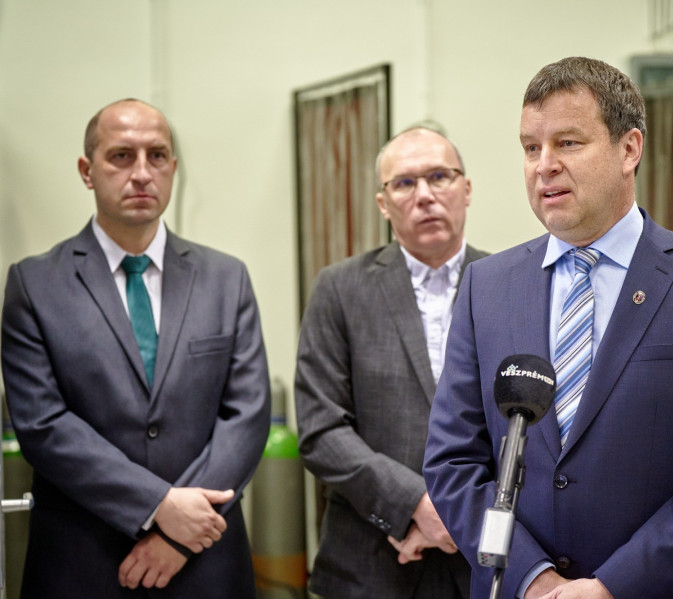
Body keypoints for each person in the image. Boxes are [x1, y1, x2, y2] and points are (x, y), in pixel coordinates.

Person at [423, 57, 673, 599]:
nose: (544, 166)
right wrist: (533, 578)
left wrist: (611, 587)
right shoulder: (486, 287)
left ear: (629, 149)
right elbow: (453, 463)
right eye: (530, 148)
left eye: (568, 143)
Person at [0, 98, 270, 597]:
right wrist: (159, 506)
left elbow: (247, 415)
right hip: (83, 562)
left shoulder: (226, 279)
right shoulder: (34, 284)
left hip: (205, 561)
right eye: (121, 156)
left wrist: (179, 536)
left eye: (157, 156)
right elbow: (42, 424)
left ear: (173, 168)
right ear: (87, 171)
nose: (142, 173)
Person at [294, 126, 486, 598]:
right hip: (371, 564)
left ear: (466, 189)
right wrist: (415, 504)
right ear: (383, 204)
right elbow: (321, 430)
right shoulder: (340, 289)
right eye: (404, 183)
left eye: (439, 176)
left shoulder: (511, 285)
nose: (424, 196)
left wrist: (462, 516)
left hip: (481, 563)